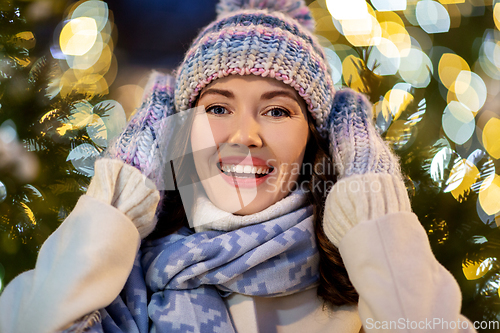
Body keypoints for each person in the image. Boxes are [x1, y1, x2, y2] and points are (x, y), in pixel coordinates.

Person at [0, 0, 478, 332]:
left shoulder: (367, 288)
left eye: (276, 111)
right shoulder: (123, 287)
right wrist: (124, 190)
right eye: (217, 108)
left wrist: (371, 208)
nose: (245, 135)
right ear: (178, 130)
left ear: (316, 139)